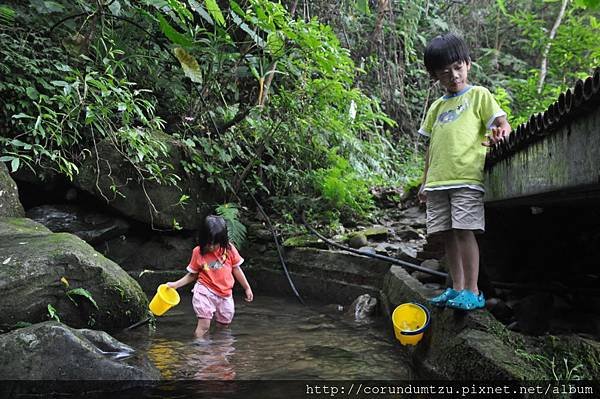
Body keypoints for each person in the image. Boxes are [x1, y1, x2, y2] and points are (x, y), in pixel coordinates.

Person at [417, 33, 511, 310]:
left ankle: (473, 290)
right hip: (438, 181)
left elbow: (503, 125)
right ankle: (456, 288)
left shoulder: (479, 95)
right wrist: (424, 182)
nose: (453, 75)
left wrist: (500, 135)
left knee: (463, 231)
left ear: (468, 64)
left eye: (458, 67)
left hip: (466, 178)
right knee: (447, 234)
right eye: (445, 72)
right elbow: (431, 147)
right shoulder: (436, 107)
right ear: (435, 76)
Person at [166, 215, 253, 336]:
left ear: (223, 240)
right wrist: (175, 285)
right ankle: (200, 350)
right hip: (205, 291)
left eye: (215, 244)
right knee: (204, 325)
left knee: (224, 324)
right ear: (202, 239)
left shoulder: (229, 250)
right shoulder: (198, 252)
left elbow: (236, 269)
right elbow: (192, 275)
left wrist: (247, 287)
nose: (211, 247)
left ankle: (218, 348)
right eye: (208, 243)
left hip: (225, 294)